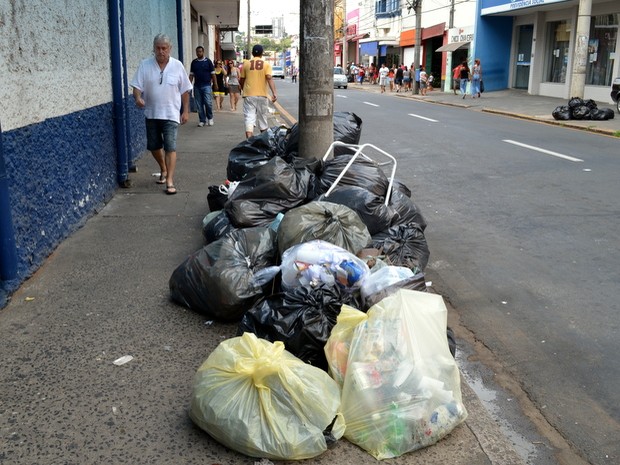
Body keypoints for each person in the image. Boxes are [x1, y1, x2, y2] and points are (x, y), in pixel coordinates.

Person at [131, 33, 192, 195]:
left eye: (164, 48)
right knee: (154, 146)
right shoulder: (145, 65)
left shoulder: (177, 66)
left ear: (169, 49)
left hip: (171, 114)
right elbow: (137, 87)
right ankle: (163, 168)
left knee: (170, 146)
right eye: (158, 48)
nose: (161, 51)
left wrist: (185, 111)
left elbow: (185, 90)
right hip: (151, 113)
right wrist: (138, 97)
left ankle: (170, 180)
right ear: (154, 48)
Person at [239, 44, 277, 139]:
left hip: (249, 95)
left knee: (249, 117)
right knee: (263, 118)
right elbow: (269, 78)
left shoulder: (246, 64)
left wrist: (243, 89)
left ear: (252, 53)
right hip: (262, 95)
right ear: (262, 54)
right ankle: (264, 142)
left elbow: (242, 79)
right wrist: (274, 93)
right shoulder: (266, 64)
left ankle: (250, 141)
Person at [189, 46, 217, 127]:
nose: (199, 53)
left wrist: (215, 84)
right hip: (197, 86)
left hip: (206, 85)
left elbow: (213, 74)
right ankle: (202, 120)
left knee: (208, 103)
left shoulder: (208, 61)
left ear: (203, 52)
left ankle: (210, 118)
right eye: (197, 52)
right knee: (199, 104)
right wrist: (188, 85)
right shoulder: (194, 62)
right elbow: (191, 75)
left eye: (200, 51)